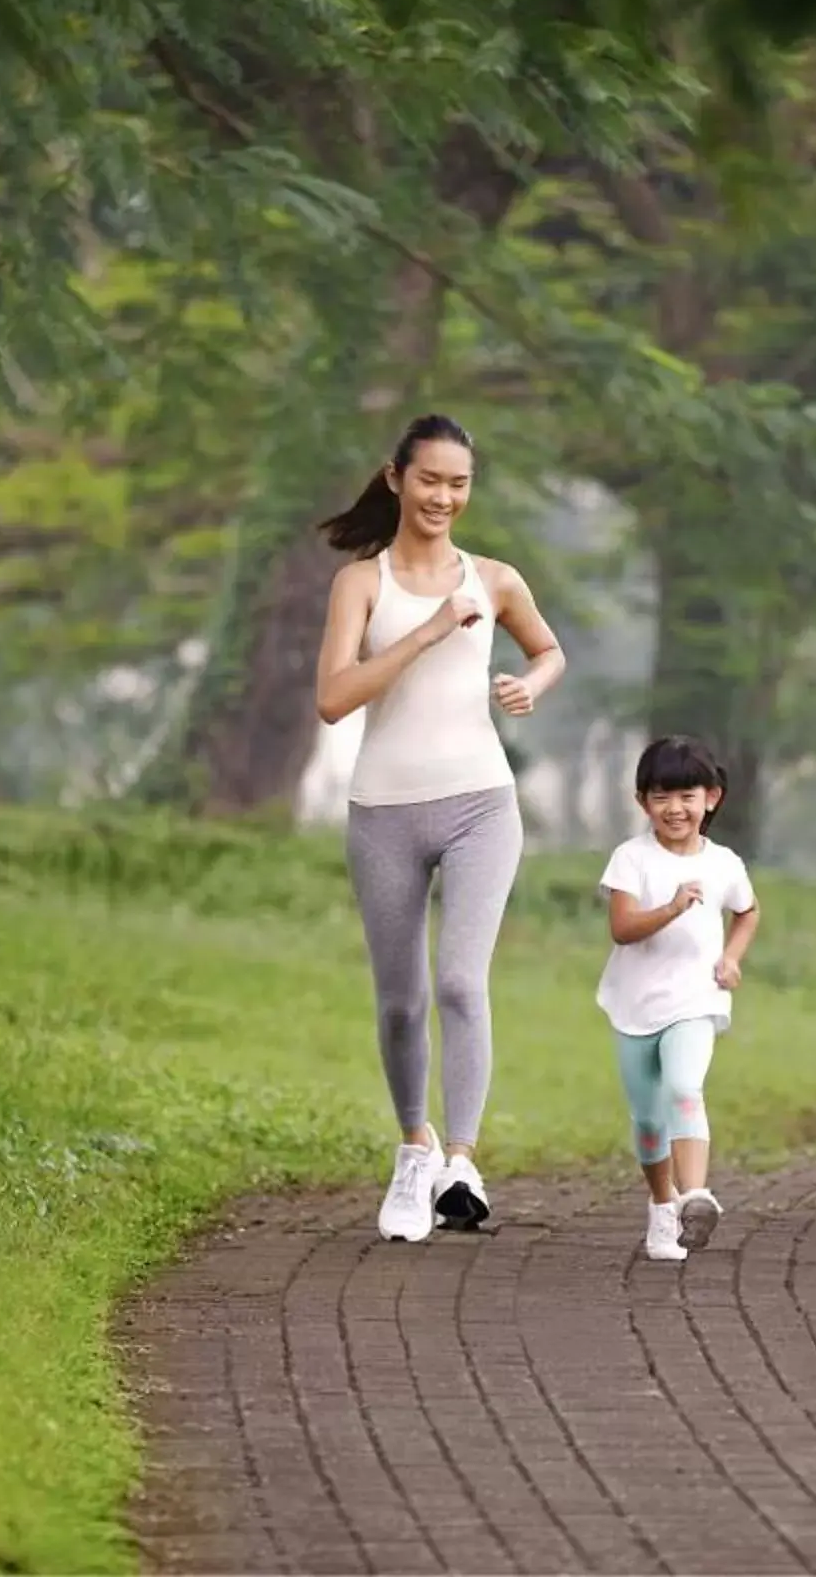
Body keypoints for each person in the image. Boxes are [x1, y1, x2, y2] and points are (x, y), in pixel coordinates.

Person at [314, 413, 566, 1242]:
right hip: (382, 810)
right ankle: (414, 1147)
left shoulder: (493, 578)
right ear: (396, 479)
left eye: (459, 484)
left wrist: (533, 683)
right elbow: (334, 699)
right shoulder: (362, 583)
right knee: (400, 1003)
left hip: (480, 805)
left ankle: (461, 1159)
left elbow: (549, 650)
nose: (444, 497)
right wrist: (424, 633)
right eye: (431, 481)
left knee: (461, 982)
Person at [597, 736, 762, 1263]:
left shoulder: (725, 863)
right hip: (633, 1006)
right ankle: (662, 1204)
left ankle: (695, 1195)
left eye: (687, 796)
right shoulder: (631, 859)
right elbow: (622, 928)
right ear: (642, 801)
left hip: (696, 1000)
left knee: (685, 1088)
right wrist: (670, 908)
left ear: (711, 798)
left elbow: (748, 911)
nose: (675, 809)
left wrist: (731, 958)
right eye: (662, 796)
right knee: (648, 1120)